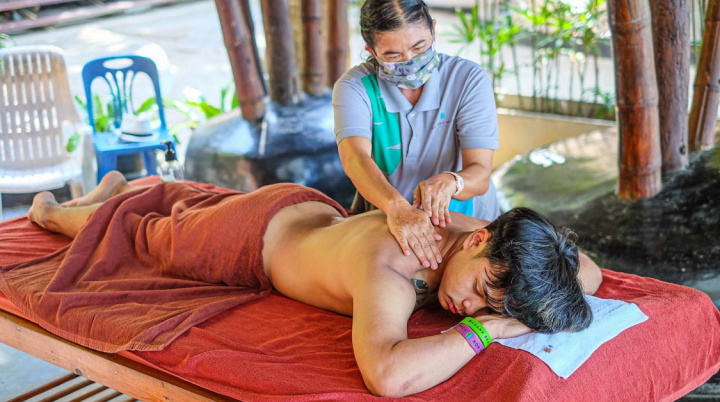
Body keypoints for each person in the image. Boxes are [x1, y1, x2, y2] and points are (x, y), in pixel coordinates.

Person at [27, 172, 602, 397]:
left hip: (306, 210)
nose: (467, 305)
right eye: (478, 290)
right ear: (476, 242)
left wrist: (523, 299)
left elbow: (590, 274)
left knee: (183, 205)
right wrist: (488, 328)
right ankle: (52, 211)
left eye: (487, 303)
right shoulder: (395, 266)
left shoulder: (486, 238)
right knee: (143, 235)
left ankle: (119, 185)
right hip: (249, 237)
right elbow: (389, 375)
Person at [333, 0, 501, 270]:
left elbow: (480, 173)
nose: (409, 61)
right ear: (371, 51)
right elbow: (355, 158)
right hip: (388, 223)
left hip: (466, 225)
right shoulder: (355, 87)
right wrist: (397, 208)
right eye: (393, 55)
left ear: (433, 30)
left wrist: (452, 181)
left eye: (419, 47)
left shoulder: (468, 79)